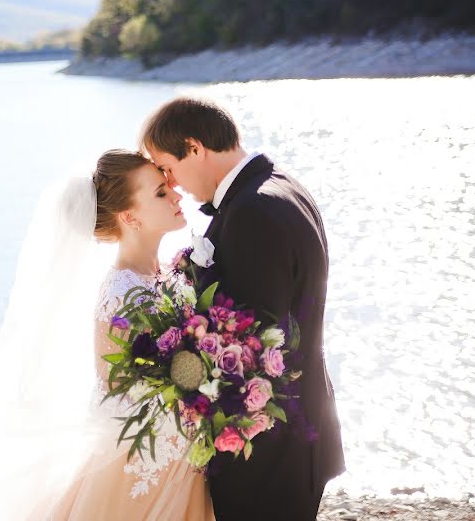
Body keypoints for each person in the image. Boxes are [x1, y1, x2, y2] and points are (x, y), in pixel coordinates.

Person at [0, 149, 214, 520]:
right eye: (161, 193)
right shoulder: (120, 293)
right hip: (143, 459)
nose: (177, 196)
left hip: (184, 450)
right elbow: (115, 391)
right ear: (129, 216)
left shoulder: (169, 273)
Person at [140, 96, 345, 521]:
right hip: (298, 433)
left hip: (270, 448)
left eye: (168, 167)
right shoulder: (278, 185)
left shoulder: (253, 212)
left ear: (194, 148)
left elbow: (249, 348)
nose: (171, 183)